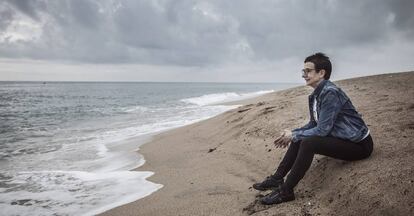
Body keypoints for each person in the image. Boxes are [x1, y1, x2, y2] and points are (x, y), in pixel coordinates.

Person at [253, 52, 374, 205]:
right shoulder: (315, 96)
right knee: (300, 137)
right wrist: (293, 133)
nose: (304, 75)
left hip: (359, 145)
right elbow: (313, 124)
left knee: (308, 142)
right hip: (341, 138)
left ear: (321, 73)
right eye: (303, 71)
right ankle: (277, 179)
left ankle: (286, 191)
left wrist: (294, 135)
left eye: (308, 71)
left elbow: (322, 130)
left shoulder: (330, 93)